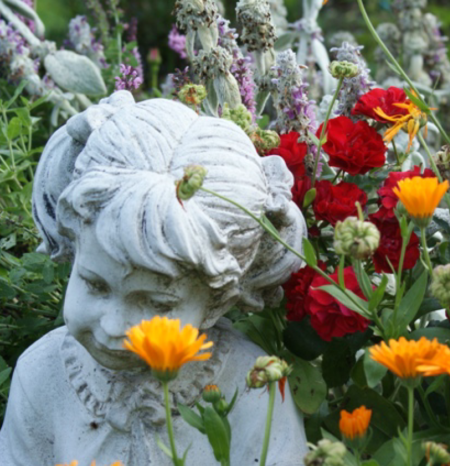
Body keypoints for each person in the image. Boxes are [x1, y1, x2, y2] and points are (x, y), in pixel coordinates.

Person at [0, 91, 308, 465]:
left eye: (158, 303)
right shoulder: (43, 376)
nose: (115, 326)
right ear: (73, 249)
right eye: (95, 284)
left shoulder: (253, 386)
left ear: (216, 302)